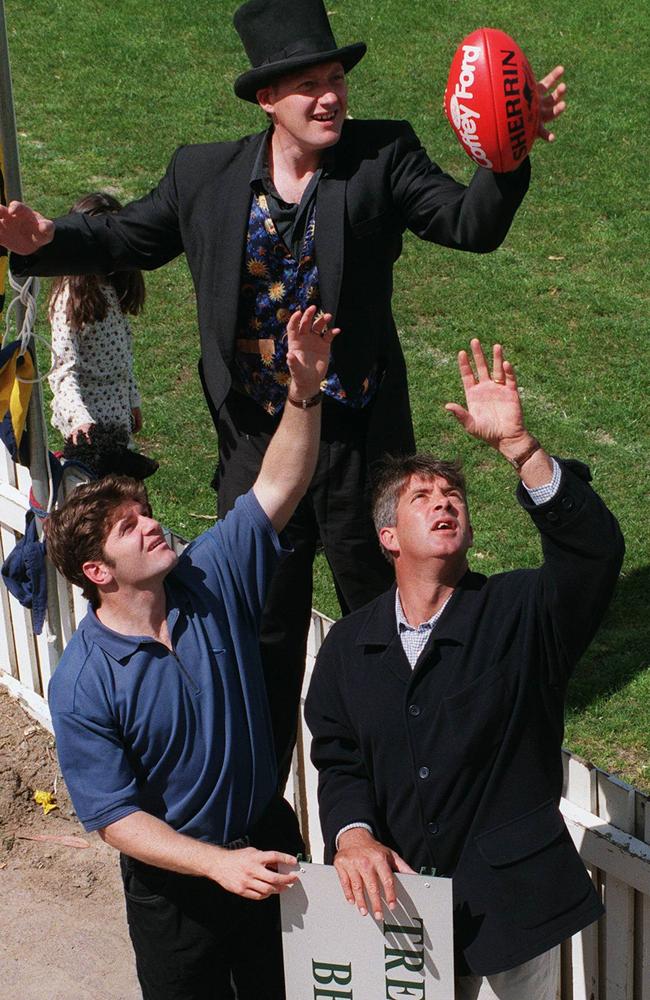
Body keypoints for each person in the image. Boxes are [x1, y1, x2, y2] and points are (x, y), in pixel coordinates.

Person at [0, 0, 567, 786]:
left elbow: (470, 223)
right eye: (309, 85)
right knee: (256, 639)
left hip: (362, 454)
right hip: (258, 460)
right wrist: (48, 240)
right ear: (268, 100)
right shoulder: (202, 174)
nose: (331, 96)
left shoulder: (382, 156)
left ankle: (409, 793)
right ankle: (261, 811)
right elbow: (128, 234)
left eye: (337, 79)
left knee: (392, 625)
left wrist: (506, 154)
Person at [305, 339, 624, 1000]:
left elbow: (594, 555)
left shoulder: (519, 612)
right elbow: (338, 761)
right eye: (424, 497)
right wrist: (353, 835)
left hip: (514, 913)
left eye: (454, 496)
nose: (445, 503)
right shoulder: (348, 647)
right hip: (396, 912)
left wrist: (520, 448)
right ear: (388, 536)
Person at [44, 306, 338, 1000]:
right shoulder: (82, 683)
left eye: (144, 513)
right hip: (175, 890)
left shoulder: (209, 574)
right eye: (128, 528)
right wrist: (212, 865)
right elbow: (116, 818)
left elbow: (278, 486)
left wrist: (303, 393)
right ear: (97, 572)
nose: (151, 526)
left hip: (265, 843)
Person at [48, 192, 145, 446]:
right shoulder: (69, 298)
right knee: (101, 486)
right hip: (89, 430)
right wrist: (81, 421)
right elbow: (62, 372)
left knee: (125, 484)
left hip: (118, 418)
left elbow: (123, 356)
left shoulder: (108, 283)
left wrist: (132, 401)